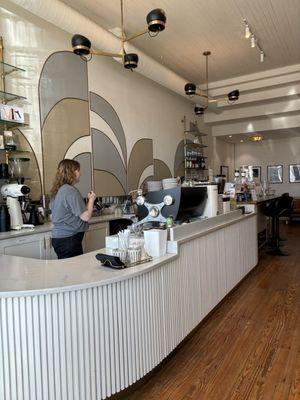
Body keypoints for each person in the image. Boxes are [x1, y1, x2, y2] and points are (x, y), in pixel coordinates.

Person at [50, 159, 96, 259]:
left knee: (66, 271)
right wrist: (91, 199)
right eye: (78, 170)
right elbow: (86, 216)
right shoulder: (70, 191)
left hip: (59, 238)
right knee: (73, 272)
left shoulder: (58, 190)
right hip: (69, 239)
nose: (80, 173)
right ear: (73, 172)